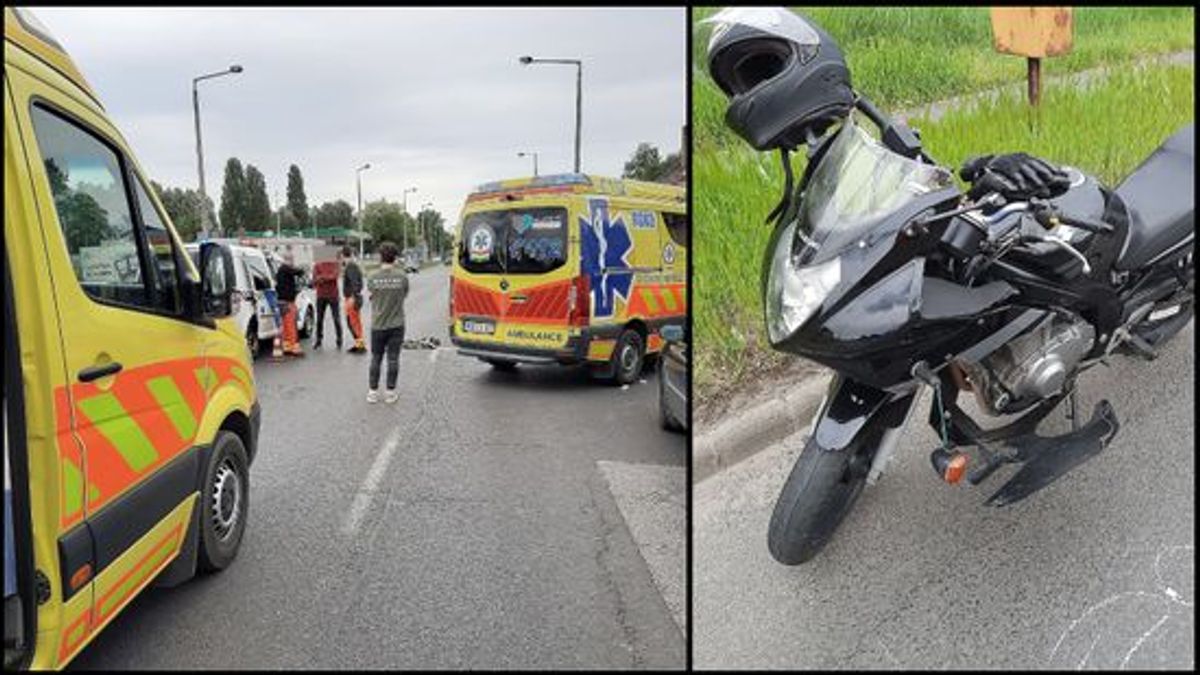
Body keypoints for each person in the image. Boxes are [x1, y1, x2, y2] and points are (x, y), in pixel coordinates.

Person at [365, 241, 409, 404]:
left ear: (380, 257)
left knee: (376, 358)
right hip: (396, 324)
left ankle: (372, 392)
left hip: (377, 325)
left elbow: (372, 294)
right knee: (393, 358)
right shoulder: (402, 276)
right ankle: (390, 393)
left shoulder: (372, 277)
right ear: (395, 258)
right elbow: (404, 295)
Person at [274, 250, 307, 357]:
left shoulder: (280, 270)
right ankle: (295, 348)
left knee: (286, 325)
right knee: (291, 325)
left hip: (281, 302)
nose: (293, 262)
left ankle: (287, 346)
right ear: (290, 260)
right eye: (292, 260)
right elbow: (298, 272)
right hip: (288, 302)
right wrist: (302, 270)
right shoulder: (286, 268)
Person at [311, 258, 342, 349]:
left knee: (336, 318)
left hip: (333, 296)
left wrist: (322, 277)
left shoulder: (335, 263)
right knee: (319, 319)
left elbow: (335, 276)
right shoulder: (317, 265)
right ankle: (319, 340)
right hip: (321, 296)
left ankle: (339, 339)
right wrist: (326, 277)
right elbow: (314, 280)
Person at [341, 245, 367, 353]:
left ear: (343, 255)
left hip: (352, 298)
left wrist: (354, 297)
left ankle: (360, 345)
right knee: (353, 322)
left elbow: (355, 283)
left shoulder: (351, 266)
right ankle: (358, 344)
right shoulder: (352, 265)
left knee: (353, 322)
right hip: (353, 297)